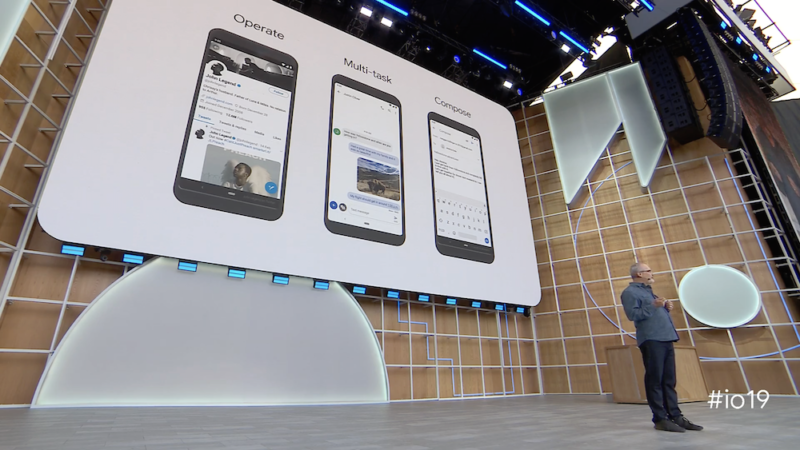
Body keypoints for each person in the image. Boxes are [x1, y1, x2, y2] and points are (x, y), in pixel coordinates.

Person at [621, 262, 704, 433]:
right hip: (652, 340)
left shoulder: (649, 291)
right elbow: (633, 314)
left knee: (668, 380)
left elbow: (652, 312)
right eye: (648, 270)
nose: (652, 272)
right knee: (655, 381)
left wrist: (665, 308)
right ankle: (660, 418)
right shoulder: (629, 292)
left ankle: (676, 416)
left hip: (666, 338)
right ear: (639, 274)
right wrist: (654, 306)